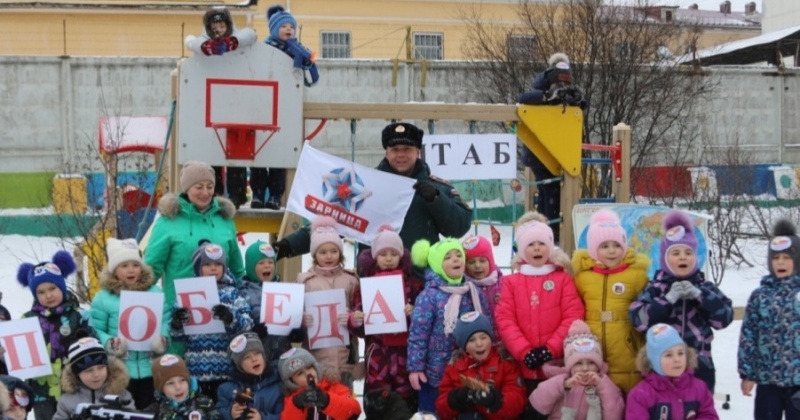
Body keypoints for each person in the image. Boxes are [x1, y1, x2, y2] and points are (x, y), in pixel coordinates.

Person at [273, 122, 472, 266]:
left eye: (407, 149)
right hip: (374, 281)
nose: (400, 155)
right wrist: (288, 246)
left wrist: (436, 199)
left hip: (420, 283)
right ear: (386, 152)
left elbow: (459, 228)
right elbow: (335, 221)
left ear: (418, 152)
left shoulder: (435, 188)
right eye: (395, 149)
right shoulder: (368, 188)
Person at [629, 210, 733, 393]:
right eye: (675, 253)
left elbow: (724, 318)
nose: (683, 257)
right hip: (662, 367)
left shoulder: (705, 287)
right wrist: (666, 301)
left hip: (700, 366)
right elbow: (638, 320)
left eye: (688, 252)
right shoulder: (656, 288)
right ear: (664, 259)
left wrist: (699, 296)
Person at [494, 211, 584, 420]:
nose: (536, 248)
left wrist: (550, 349)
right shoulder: (511, 282)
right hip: (522, 366)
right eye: (531, 244)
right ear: (522, 250)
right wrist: (524, 352)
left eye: (542, 243)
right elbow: (505, 319)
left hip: (555, 367)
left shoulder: (562, 279)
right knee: (525, 412)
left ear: (550, 247)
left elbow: (573, 315)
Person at [145, 160, 244, 309]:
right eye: (199, 187)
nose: (205, 193)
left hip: (222, 310)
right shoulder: (168, 222)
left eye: (210, 187)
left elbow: (237, 268)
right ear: (186, 188)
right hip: (180, 311)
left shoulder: (224, 220)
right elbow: (151, 268)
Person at [571, 208, 649, 393]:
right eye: (604, 246)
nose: (612, 251)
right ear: (593, 249)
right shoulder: (582, 278)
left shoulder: (636, 276)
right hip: (592, 355)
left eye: (616, 245)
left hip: (627, 356)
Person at [407, 238, 488, 412]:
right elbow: (418, 335)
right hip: (435, 373)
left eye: (459, 255)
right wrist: (416, 368)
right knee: (433, 412)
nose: (456, 259)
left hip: (469, 371)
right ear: (436, 264)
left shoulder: (472, 291)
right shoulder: (428, 296)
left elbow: (486, 325)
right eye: (448, 257)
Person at [90, 237, 169, 410]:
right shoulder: (103, 298)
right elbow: (95, 329)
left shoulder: (155, 292)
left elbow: (165, 320)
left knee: (151, 411)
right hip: (120, 371)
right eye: (124, 266)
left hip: (151, 369)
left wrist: (162, 339)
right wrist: (109, 342)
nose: (131, 270)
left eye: (135, 265)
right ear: (114, 270)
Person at [169, 240, 254, 401]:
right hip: (196, 370)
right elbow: (176, 335)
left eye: (218, 264)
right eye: (207, 264)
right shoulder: (187, 293)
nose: (213, 268)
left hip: (227, 371)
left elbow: (248, 324)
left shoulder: (232, 293)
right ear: (198, 268)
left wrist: (230, 317)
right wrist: (177, 322)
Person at [16, 250, 95, 420]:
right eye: (41, 292)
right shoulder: (27, 320)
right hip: (41, 391)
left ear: (62, 287)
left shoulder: (79, 316)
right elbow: (19, 356)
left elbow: (93, 346)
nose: (48, 295)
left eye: (52, 288)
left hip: (74, 388)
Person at [355, 225, 423, 413]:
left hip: (404, 356)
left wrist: (414, 313)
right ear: (375, 256)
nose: (388, 258)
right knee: (377, 405)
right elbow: (357, 324)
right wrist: (357, 319)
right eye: (383, 254)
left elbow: (423, 321)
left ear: (401, 256)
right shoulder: (365, 285)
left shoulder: (412, 285)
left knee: (406, 405)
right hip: (378, 357)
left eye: (393, 254)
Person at [738, 219, 800, 419]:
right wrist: (747, 374)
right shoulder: (760, 296)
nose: (780, 262)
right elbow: (749, 335)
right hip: (768, 381)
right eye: (776, 258)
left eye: (786, 257)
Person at [297, 216, 362, 389]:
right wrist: (302, 320)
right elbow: (294, 315)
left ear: (340, 253)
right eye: (323, 252)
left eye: (333, 251)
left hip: (346, 355)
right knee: (319, 406)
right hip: (317, 357)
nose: (328, 256)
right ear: (314, 254)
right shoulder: (305, 281)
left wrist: (353, 318)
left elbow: (358, 309)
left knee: (345, 406)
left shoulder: (351, 280)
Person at [436, 311, 525, 420]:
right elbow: (441, 410)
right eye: (472, 340)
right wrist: (456, 399)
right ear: (464, 346)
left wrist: (494, 400)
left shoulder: (505, 362)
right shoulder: (454, 368)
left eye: (483, 338)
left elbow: (517, 400)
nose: (479, 344)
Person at [530, 320, 625, 420]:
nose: (585, 368)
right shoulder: (562, 379)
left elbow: (615, 414)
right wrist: (564, 384)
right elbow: (539, 403)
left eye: (591, 362)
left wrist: (602, 386)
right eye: (578, 363)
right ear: (570, 366)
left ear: (598, 365)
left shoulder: (604, 383)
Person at [625, 323, 718, 419]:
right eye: (668, 355)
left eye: (681, 353)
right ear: (653, 361)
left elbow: (709, 416)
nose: (677, 359)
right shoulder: (640, 395)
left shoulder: (699, 388)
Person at [238, 240, 295, 365]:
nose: (267, 266)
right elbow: (238, 324)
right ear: (250, 267)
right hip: (256, 356)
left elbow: (294, 317)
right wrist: (253, 331)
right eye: (261, 263)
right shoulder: (243, 292)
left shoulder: (284, 289)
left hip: (283, 353)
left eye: (270, 262)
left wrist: (296, 331)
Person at [54, 337, 135, 420]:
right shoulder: (66, 401)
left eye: (101, 367)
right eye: (89, 370)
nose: (96, 374)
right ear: (77, 374)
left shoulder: (121, 395)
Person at [277, 347, 362, 420]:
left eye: (309, 367)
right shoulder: (291, 400)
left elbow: (354, 410)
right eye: (300, 373)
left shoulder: (334, 386)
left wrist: (327, 400)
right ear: (291, 382)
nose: (307, 373)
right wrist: (297, 404)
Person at [216, 332, 283, 420]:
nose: (254, 359)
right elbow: (217, 414)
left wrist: (262, 418)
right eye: (247, 357)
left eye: (257, 353)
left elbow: (284, 416)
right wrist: (230, 414)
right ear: (238, 365)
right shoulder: (225, 389)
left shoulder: (278, 387)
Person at [150, 354, 220, 419]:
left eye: (182, 380)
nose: (178, 387)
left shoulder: (204, 403)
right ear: (161, 388)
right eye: (170, 383)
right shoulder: (155, 411)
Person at [461, 234, 503, 320]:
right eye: (471, 262)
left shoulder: (503, 284)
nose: (477, 265)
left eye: (482, 260)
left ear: (490, 261)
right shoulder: (463, 288)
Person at [185, 7, 257, 57]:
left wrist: (232, 42)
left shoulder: (238, 35)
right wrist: (207, 47)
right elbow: (192, 42)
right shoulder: (204, 39)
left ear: (228, 26)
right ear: (209, 29)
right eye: (214, 28)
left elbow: (250, 34)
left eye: (222, 26)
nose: (219, 30)